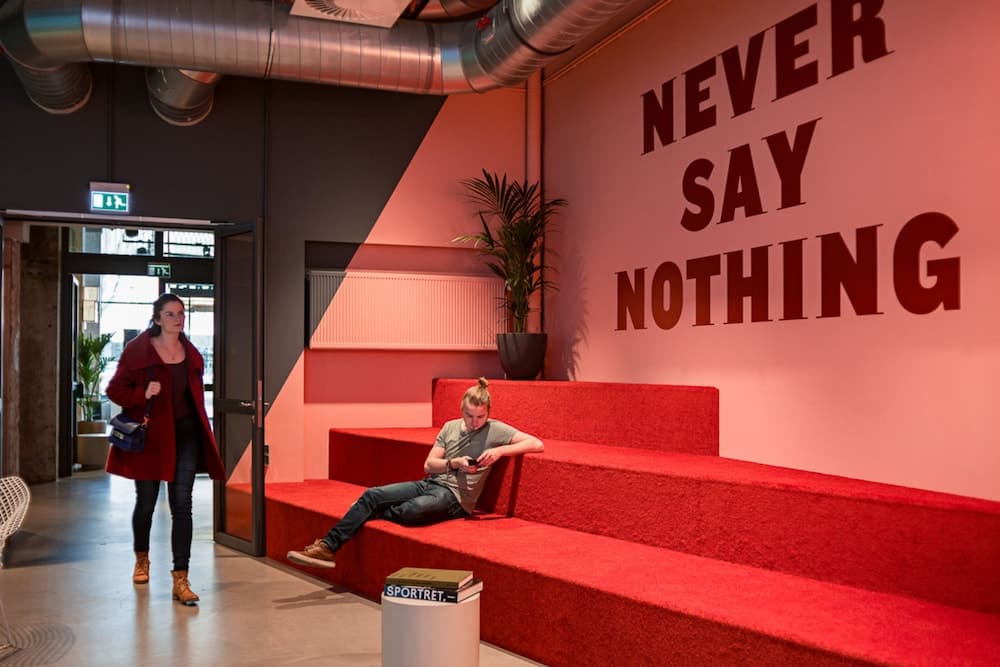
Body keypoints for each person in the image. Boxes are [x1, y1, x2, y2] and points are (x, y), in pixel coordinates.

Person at [287, 377, 543, 568]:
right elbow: (429, 465)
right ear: (461, 409)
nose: (475, 422)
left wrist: (499, 452)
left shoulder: (495, 430)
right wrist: (454, 463)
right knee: (372, 494)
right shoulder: (450, 427)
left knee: (414, 510)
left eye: (480, 417)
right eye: (470, 415)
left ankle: (373, 512)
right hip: (430, 483)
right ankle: (326, 546)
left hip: (456, 498)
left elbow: (536, 443)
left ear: (488, 414)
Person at [105, 293, 225, 605]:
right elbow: (114, 389)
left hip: (185, 435)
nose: (177, 319)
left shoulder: (190, 352)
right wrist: (142, 393)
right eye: (170, 314)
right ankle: (142, 559)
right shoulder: (138, 351)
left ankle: (181, 578)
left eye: (181, 313)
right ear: (157, 318)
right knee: (146, 503)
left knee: (182, 505)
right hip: (151, 438)